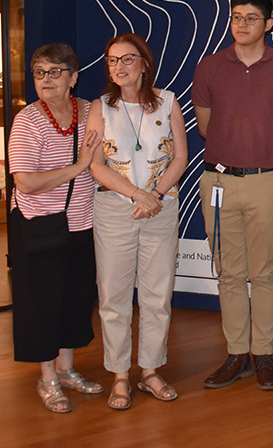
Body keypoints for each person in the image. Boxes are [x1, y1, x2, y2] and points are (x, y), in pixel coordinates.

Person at [193, 0, 273, 392]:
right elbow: (205, 127)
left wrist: (264, 154)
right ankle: (236, 353)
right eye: (236, 17)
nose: (241, 24)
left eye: (251, 18)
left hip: (268, 182)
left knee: (263, 271)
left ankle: (263, 354)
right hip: (219, 181)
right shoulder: (209, 67)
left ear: (269, 23)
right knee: (228, 272)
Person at [87, 33, 187, 410]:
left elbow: (180, 157)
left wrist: (154, 195)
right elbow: (95, 165)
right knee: (113, 295)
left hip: (161, 207)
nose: (119, 67)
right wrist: (136, 195)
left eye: (127, 59)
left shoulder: (169, 102)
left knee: (157, 294)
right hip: (116, 209)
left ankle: (150, 371)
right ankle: (119, 375)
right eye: (112, 61)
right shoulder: (100, 108)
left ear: (145, 63)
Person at [7, 42, 103, 413]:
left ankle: (66, 370)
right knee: (41, 304)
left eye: (55, 72)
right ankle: (47, 378)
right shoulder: (28, 120)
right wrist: (77, 168)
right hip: (38, 225)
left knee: (74, 301)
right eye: (39, 73)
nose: (46, 80)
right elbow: (25, 182)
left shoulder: (90, 111)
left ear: (73, 78)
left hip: (82, 223)